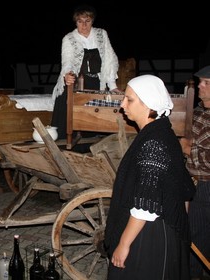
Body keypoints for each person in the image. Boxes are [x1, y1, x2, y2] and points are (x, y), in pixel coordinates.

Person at [104, 75, 196, 279]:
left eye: (129, 99)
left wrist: (124, 244)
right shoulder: (162, 132)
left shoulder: (153, 142)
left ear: (148, 104)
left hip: (150, 235)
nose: (122, 105)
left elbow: (146, 205)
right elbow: (182, 190)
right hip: (161, 228)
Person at [51, 4, 121, 140]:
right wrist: (68, 75)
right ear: (76, 22)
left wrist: (112, 86)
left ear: (92, 21)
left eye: (87, 21)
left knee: (101, 104)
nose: (84, 25)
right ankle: (64, 139)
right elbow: (67, 60)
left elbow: (109, 59)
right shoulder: (69, 38)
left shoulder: (101, 34)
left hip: (97, 81)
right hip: (77, 80)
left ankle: (92, 138)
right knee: (66, 99)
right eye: (80, 21)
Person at [179, 66, 210, 280]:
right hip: (193, 181)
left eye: (206, 83)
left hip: (206, 185)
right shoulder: (199, 111)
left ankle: (193, 275)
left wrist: (188, 149)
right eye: (200, 81)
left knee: (196, 236)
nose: (200, 85)